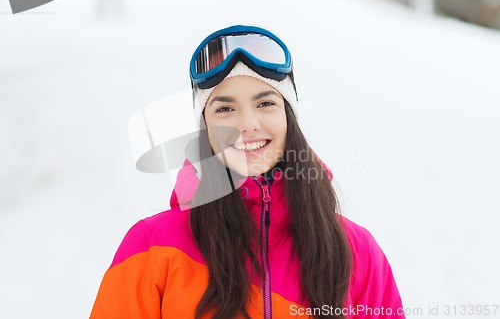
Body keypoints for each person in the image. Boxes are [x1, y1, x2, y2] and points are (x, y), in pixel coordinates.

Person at [90, 25, 406, 319]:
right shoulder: (151, 248)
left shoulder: (357, 253)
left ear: (288, 118)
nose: (247, 124)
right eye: (225, 109)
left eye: (265, 103)